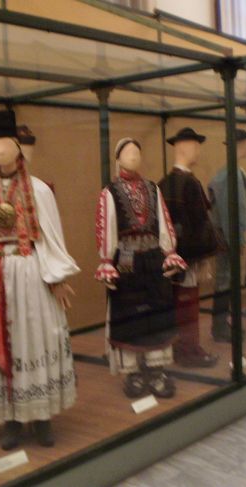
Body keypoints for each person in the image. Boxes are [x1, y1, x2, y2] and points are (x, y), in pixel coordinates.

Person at [0, 110, 79, 450]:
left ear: (17, 146)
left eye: (6, 142)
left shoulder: (38, 190)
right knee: (6, 344)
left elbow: (51, 238)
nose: (0, 149)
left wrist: (57, 277)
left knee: (36, 340)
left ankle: (41, 416)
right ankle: (12, 419)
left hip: (31, 274)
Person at [95, 138, 186, 398]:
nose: (133, 156)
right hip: (127, 263)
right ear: (118, 159)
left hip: (153, 259)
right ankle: (133, 371)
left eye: (137, 152)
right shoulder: (110, 192)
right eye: (127, 153)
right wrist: (106, 261)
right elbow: (106, 227)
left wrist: (169, 252)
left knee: (157, 312)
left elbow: (164, 221)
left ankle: (156, 369)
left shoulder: (152, 188)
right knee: (130, 314)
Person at [159, 127, 219, 368]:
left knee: (178, 304)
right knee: (188, 304)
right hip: (188, 258)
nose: (198, 151)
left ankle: (180, 347)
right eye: (196, 146)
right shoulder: (189, 183)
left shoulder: (164, 183)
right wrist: (202, 256)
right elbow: (198, 223)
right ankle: (189, 350)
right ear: (185, 147)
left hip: (171, 256)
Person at [207, 128, 246, 342]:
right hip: (227, 236)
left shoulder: (233, 172)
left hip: (228, 234)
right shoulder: (228, 176)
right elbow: (228, 211)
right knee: (225, 281)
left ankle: (222, 324)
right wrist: (237, 240)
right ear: (239, 145)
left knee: (228, 280)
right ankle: (219, 327)